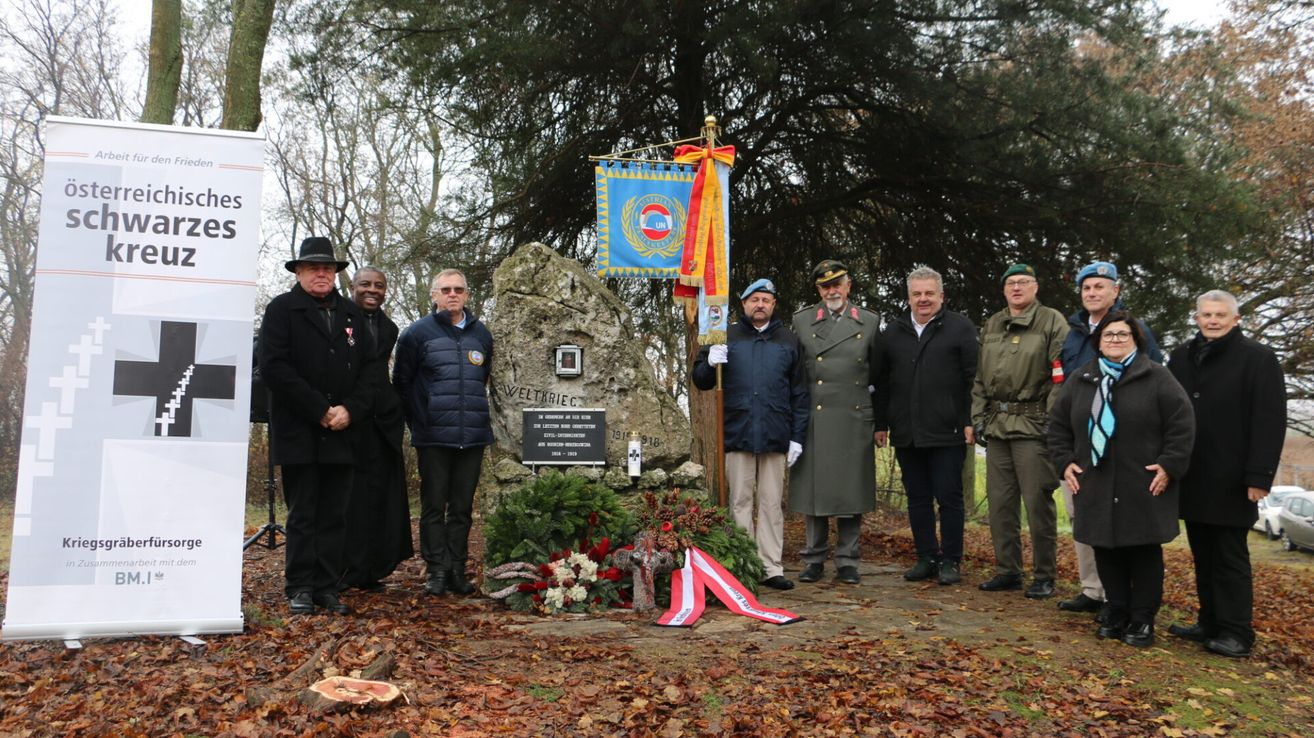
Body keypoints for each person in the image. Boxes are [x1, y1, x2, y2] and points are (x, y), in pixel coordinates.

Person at [1048, 312, 1195, 647]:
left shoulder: (1157, 377)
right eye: (1108, 335)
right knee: (1105, 547)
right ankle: (1116, 609)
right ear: (1098, 341)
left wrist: (1169, 465)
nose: (1114, 339)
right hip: (1094, 480)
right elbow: (1057, 426)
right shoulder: (1082, 377)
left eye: (1122, 334)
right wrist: (1064, 462)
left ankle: (1142, 620)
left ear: (1136, 339)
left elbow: (1182, 425)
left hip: (1143, 481)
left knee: (1142, 551)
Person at [259, 236, 380, 615]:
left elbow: (371, 370)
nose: (321, 274)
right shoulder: (281, 310)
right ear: (298, 272)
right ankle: (299, 586)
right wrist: (320, 409)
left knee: (334, 515)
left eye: (327, 268)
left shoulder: (351, 313)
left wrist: (350, 410)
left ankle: (328, 587)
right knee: (304, 514)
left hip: (344, 433)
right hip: (300, 431)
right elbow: (274, 367)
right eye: (313, 268)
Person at [1167, 290, 1286, 658]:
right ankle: (1210, 621)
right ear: (1197, 317)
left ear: (1236, 319)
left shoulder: (1258, 359)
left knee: (1230, 555)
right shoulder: (1182, 356)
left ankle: (1237, 631)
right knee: (1202, 550)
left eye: (1220, 315)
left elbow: (1269, 422)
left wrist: (1259, 477)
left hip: (1234, 477)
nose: (1212, 320)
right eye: (1206, 314)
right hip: (1193, 473)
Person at [1055, 262, 1164, 616]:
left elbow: (1155, 383)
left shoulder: (1133, 329)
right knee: (1083, 518)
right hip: (1082, 446)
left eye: (1100, 287)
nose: (1093, 293)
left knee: (1124, 526)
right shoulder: (1072, 333)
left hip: (1124, 448)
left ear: (1115, 291)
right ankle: (1093, 590)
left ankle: (1123, 600)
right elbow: (1061, 390)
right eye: (1087, 288)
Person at [693, 278, 809, 591]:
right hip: (737, 431)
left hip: (775, 433)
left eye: (766, 300)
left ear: (774, 305)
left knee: (771, 504)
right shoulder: (724, 335)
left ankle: (770, 567)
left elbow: (800, 393)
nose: (760, 305)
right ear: (744, 303)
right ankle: (742, 563)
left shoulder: (789, 341)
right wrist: (709, 361)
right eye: (754, 299)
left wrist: (797, 436)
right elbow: (701, 379)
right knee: (740, 501)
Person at [874, 266, 979, 586]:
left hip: (947, 431)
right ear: (908, 298)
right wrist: (881, 423)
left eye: (929, 293)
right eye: (917, 294)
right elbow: (881, 381)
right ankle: (926, 556)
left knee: (949, 498)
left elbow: (972, 379)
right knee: (917, 498)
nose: (923, 299)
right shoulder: (892, 331)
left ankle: (950, 560)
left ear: (941, 296)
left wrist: (969, 420)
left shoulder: (960, 328)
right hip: (907, 432)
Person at [393, 268, 494, 597]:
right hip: (433, 436)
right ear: (434, 295)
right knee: (434, 506)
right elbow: (403, 385)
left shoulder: (482, 335)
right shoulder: (415, 334)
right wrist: (419, 422)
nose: (453, 294)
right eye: (446, 289)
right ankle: (436, 570)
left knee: (462, 509)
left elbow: (484, 379)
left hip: (473, 435)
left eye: (459, 289)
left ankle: (456, 570)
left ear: (467, 294)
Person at [971, 263, 1068, 598]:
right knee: (1001, 504)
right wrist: (978, 416)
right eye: (1010, 283)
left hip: (1033, 425)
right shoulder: (993, 323)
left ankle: (1044, 575)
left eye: (1023, 282)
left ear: (1035, 286)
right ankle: (1007, 570)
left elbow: (1060, 377)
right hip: (997, 426)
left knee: (1037, 502)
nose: (1016, 288)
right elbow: (980, 377)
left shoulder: (1052, 321)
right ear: (1003, 289)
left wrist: (1051, 422)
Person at [789, 260, 882, 585]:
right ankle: (813, 558)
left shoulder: (869, 322)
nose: (831, 290)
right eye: (824, 286)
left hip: (853, 415)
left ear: (848, 285)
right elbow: (795, 374)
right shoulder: (802, 322)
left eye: (837, 284)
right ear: (818, 289)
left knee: (849, 490)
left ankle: (847, 560)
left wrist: (878, 420)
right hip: (816, 415)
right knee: (815, 492)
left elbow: (879, 374)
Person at [341, 267, 414, 590]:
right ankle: (344, 569)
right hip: (346, 419)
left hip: (382, 422)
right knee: (347, 498)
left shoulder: (390, 327)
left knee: (379, 497)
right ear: (352, 287)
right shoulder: (337, 319)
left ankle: (372, 568)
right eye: (365, 285)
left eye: (379, 286)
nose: (372, 290)